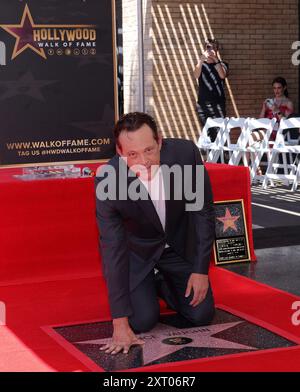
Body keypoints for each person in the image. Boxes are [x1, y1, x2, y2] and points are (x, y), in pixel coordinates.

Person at [95, 112, 216, 355]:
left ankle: (162, 283)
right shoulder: (110, 180)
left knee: (201, 315)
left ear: (160, 141)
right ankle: (147, 282)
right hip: (139, 253)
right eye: (132, 154)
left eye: (149, 150)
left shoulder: (185, 155)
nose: (143, 161)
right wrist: (119, 322)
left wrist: (201, 269)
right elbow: (112, 248)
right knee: (141, 322)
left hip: (177, 249)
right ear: (120, 153)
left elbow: (202, 212)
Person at [193, 38, 229, 141]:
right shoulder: (201, 65)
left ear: (217, 50)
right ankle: (211, 156)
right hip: (203, 106)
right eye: (208, 48)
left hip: (218, 105)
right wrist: (201, 59)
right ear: (204, 49)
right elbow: (196, 74)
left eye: (214, 48)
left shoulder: (222, 64)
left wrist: (216, 60)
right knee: (207, 135)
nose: (211, 50)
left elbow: (222, 75)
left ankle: (221, 156)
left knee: (219, 134)